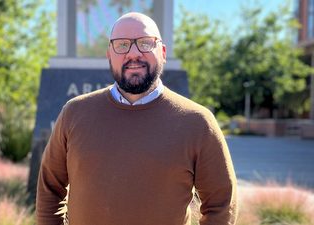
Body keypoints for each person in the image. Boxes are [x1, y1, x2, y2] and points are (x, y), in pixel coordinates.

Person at [36, 12, 237, 225]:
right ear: (109, 54)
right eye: (122, 45)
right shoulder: (74, 113)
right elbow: (50, 189)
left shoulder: (198, 122)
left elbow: (221, 204)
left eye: (145, 43)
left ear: (163, 52)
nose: (134, 54)